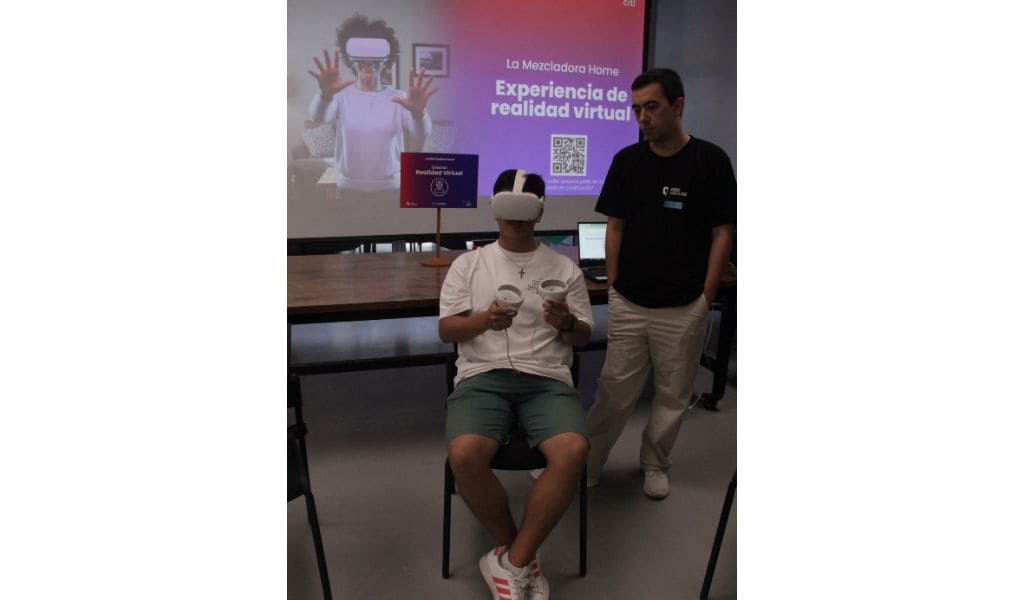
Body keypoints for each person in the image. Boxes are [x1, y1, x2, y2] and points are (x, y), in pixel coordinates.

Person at [440, 169, 593, 600]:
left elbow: (584, 336)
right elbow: (447, 330)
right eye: (508, 209)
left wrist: (566, 323)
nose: (516, 219)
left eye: (525, 211)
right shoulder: (469, 265)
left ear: (540, 213)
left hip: (546, 378)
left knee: (573, 450)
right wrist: (483, 321)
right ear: (495, 210)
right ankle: (519, 555)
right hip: (482, 375)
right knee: (463, 454)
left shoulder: (564, 268)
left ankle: (512, 562)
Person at [585, 68, 736, 500]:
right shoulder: (627, 162)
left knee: (673, 394)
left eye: (651, 107)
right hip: (630, 300)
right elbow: (615, 226)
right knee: (614, 391)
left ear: (678, 106)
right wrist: (614, 285)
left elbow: (723, 232)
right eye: (636, 109)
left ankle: (655, 463)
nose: (643, 118)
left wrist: (706, 296)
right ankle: (589, 462)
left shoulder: (711, 161)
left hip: (685, 304)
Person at [306, 13, 437, 196]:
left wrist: (418, 113)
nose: (368, 61)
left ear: (386, 58)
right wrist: (325, 95)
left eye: (375, 54)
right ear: (350, 58)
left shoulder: (400, 98)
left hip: (391, 191)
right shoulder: (340, 96)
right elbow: (318, 117)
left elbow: (421, 132)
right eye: (361, 53)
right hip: (348, 190)